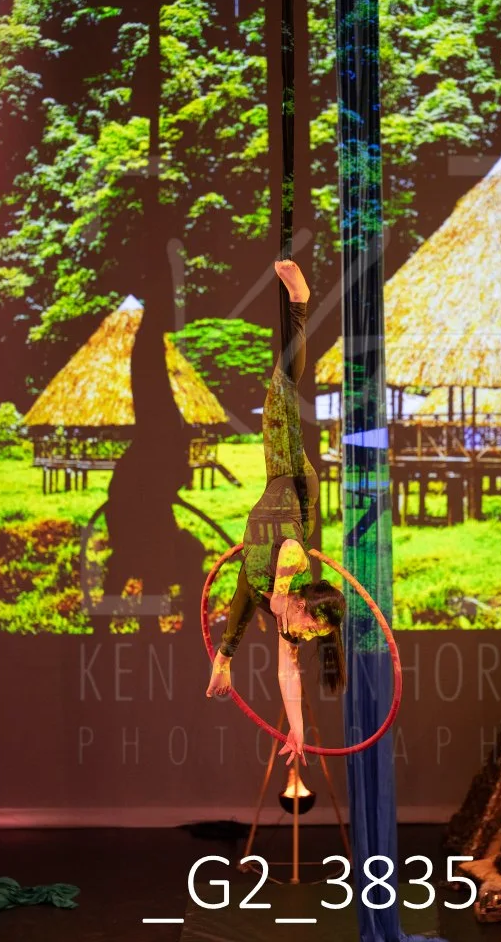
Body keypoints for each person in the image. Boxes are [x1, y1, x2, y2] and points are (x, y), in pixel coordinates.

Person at [205, 260, 347, 768]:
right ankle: (300, 301)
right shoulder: (294, 576)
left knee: (280, 391)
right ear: (307, 603)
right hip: (293, 487)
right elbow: (288, 549)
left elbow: (286, 670)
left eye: (309, 636)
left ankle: (300, 304)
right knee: (282, 390)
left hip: (274, 484)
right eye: (309, 626)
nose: (301, 634)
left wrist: (297, 732)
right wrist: (284, 591)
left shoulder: (286, 619)